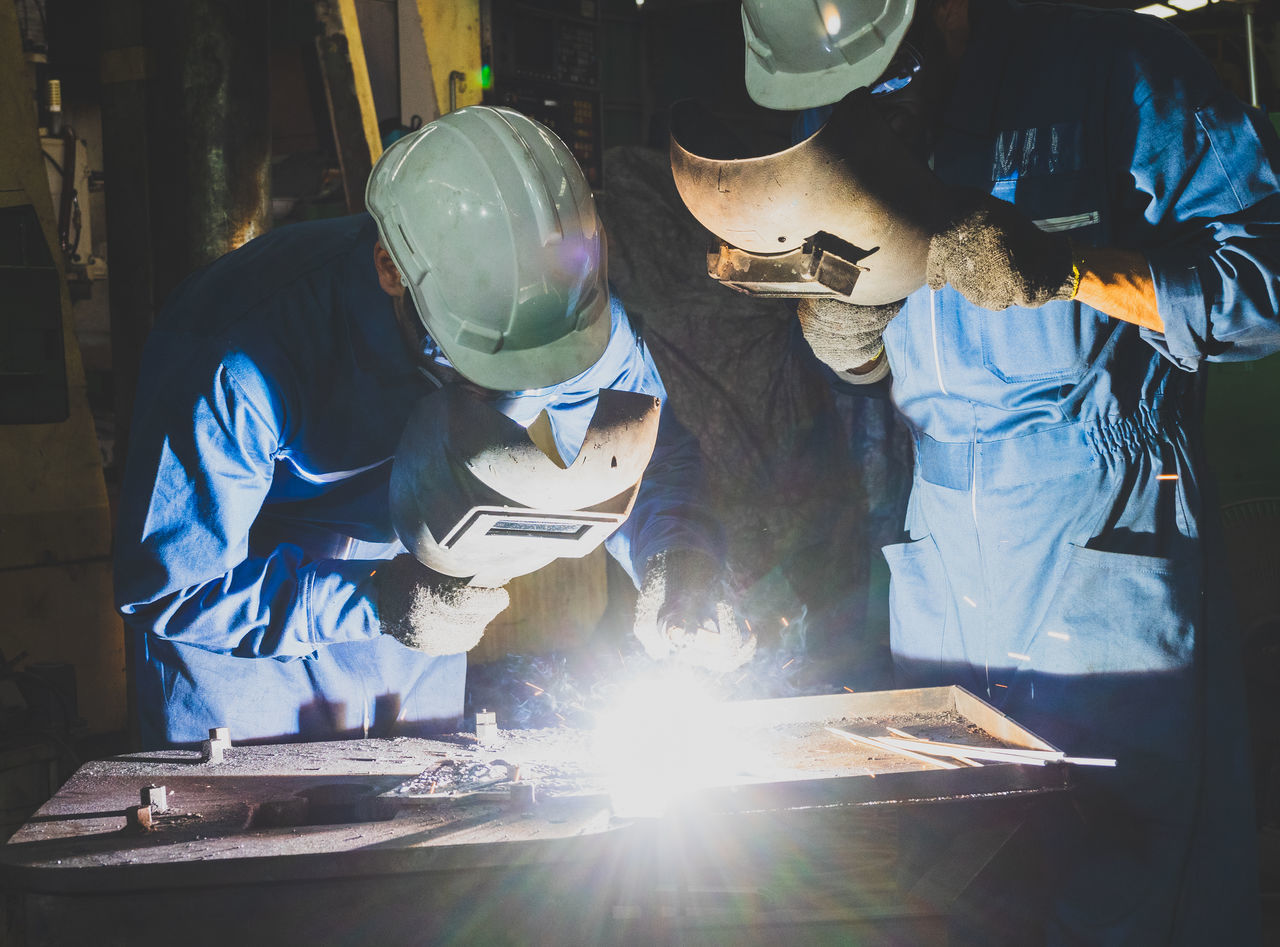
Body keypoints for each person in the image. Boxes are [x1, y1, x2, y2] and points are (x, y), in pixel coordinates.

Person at [702, 0, 1280, 941]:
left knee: (1122, 873)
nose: (869, 97)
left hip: (1101, 525)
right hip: (941, 543)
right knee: (953, 876)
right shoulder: (853, 104)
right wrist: (849, 333)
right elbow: (886, 348)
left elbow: (1265, 285)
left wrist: (1075, 271)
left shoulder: (1123, 67)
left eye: (882, 70)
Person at [114, 106, 749, 750]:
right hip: (244, 654)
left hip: (421, 631)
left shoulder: (559, 314)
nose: (515, 385)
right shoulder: (240, 355)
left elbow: (644, 450)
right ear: (391, 269)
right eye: (484, 361)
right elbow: (173, 587)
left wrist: (678, 556)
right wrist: (373, 602)